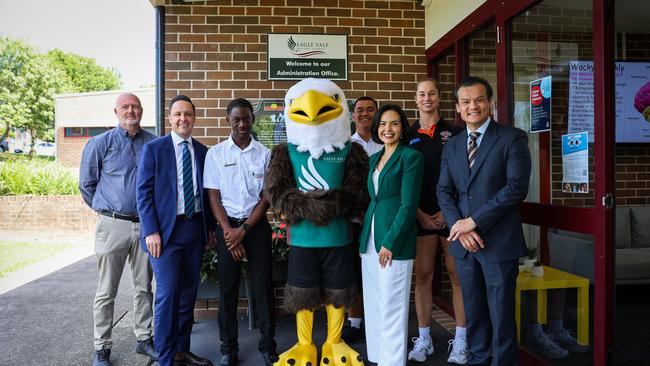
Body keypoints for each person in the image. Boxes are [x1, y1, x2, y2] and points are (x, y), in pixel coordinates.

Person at [437, 76, 532, 365]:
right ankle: (478, 358)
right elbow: (443, 190)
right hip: (465, 245)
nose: (472, 106)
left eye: (478, 100)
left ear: (490, 103)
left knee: (501, 313)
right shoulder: (452, 145)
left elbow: (516, 188)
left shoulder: (511, 137)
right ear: (458, 108)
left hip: (499, 242)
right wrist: (459, 226)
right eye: (465, 102)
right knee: (475, 311)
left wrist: (473, 221)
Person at [79, 93, 159, 366]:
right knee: (106, 290)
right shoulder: (100, 144)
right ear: (116, 111)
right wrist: (109, 211)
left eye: (135, 106)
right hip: (112, 225)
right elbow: (87, 186)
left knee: (144, 287)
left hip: (146, 227)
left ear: (142, 110)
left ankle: (144, 338)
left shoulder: (153, 143)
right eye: (125, 107)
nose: (131, 110)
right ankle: (102, 347)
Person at [136, 95, 215, 366]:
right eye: (178, 114)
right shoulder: (154, 149)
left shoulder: (204, 152)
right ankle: (166, 358)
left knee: (187, 295)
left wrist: (210, 230)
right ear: (170, 118)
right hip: (165, 235)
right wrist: (151, 231)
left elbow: (207, 195)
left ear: (194, 118)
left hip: (194, 230)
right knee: (168, 294)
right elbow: (143, 194)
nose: (184, 119)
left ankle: (182, 350)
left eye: (188, 114)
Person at [203, 98, 277, 366]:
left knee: (263, 289)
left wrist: (242, 231)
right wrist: (229, 232)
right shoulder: (216, 154)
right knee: (228, 290)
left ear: (252, 120)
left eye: (246, 118)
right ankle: (228, 349)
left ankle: (268, 346)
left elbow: (266, 197)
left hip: (254, 227)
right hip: (227, 227)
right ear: (228, 121)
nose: (242, 124)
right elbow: (214, 196)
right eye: (237, 119)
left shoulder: (265, 154)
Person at [407, 78, 467, 364]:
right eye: (422, 94)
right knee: (424, 276)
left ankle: (462, 340)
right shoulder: (408, 135)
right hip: (421, 215)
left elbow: (463, 175)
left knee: (458, 276)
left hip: (451, 215)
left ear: (439, 97)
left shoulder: (456, 133)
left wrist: (448, 210)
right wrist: (418, 212)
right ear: (416, 99)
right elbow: (404, 181)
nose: (427, 98)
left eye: (431, 93)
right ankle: (425, 339)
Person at [359, 104, 424, 365]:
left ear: (402, 128)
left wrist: (390, 242)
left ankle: (393, 361)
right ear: (377, 128)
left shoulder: (411, 157)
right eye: (383, 124)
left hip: (393, 241)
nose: (388, 129)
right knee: (374, 305)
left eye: (394, 123)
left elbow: (408, 206)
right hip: (370, 239)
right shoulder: (374, 159)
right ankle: (377, 357)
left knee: (392, 307)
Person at [343, 96, 382, 343]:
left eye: (370, 110)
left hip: (380, 222)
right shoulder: (344, 146)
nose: (364, 114)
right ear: (353, 115)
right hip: (353, 222)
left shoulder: (387, 142)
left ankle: (378, 321)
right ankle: (355, 324)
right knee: (353, 275)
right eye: (359, 110)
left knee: (380, 273)